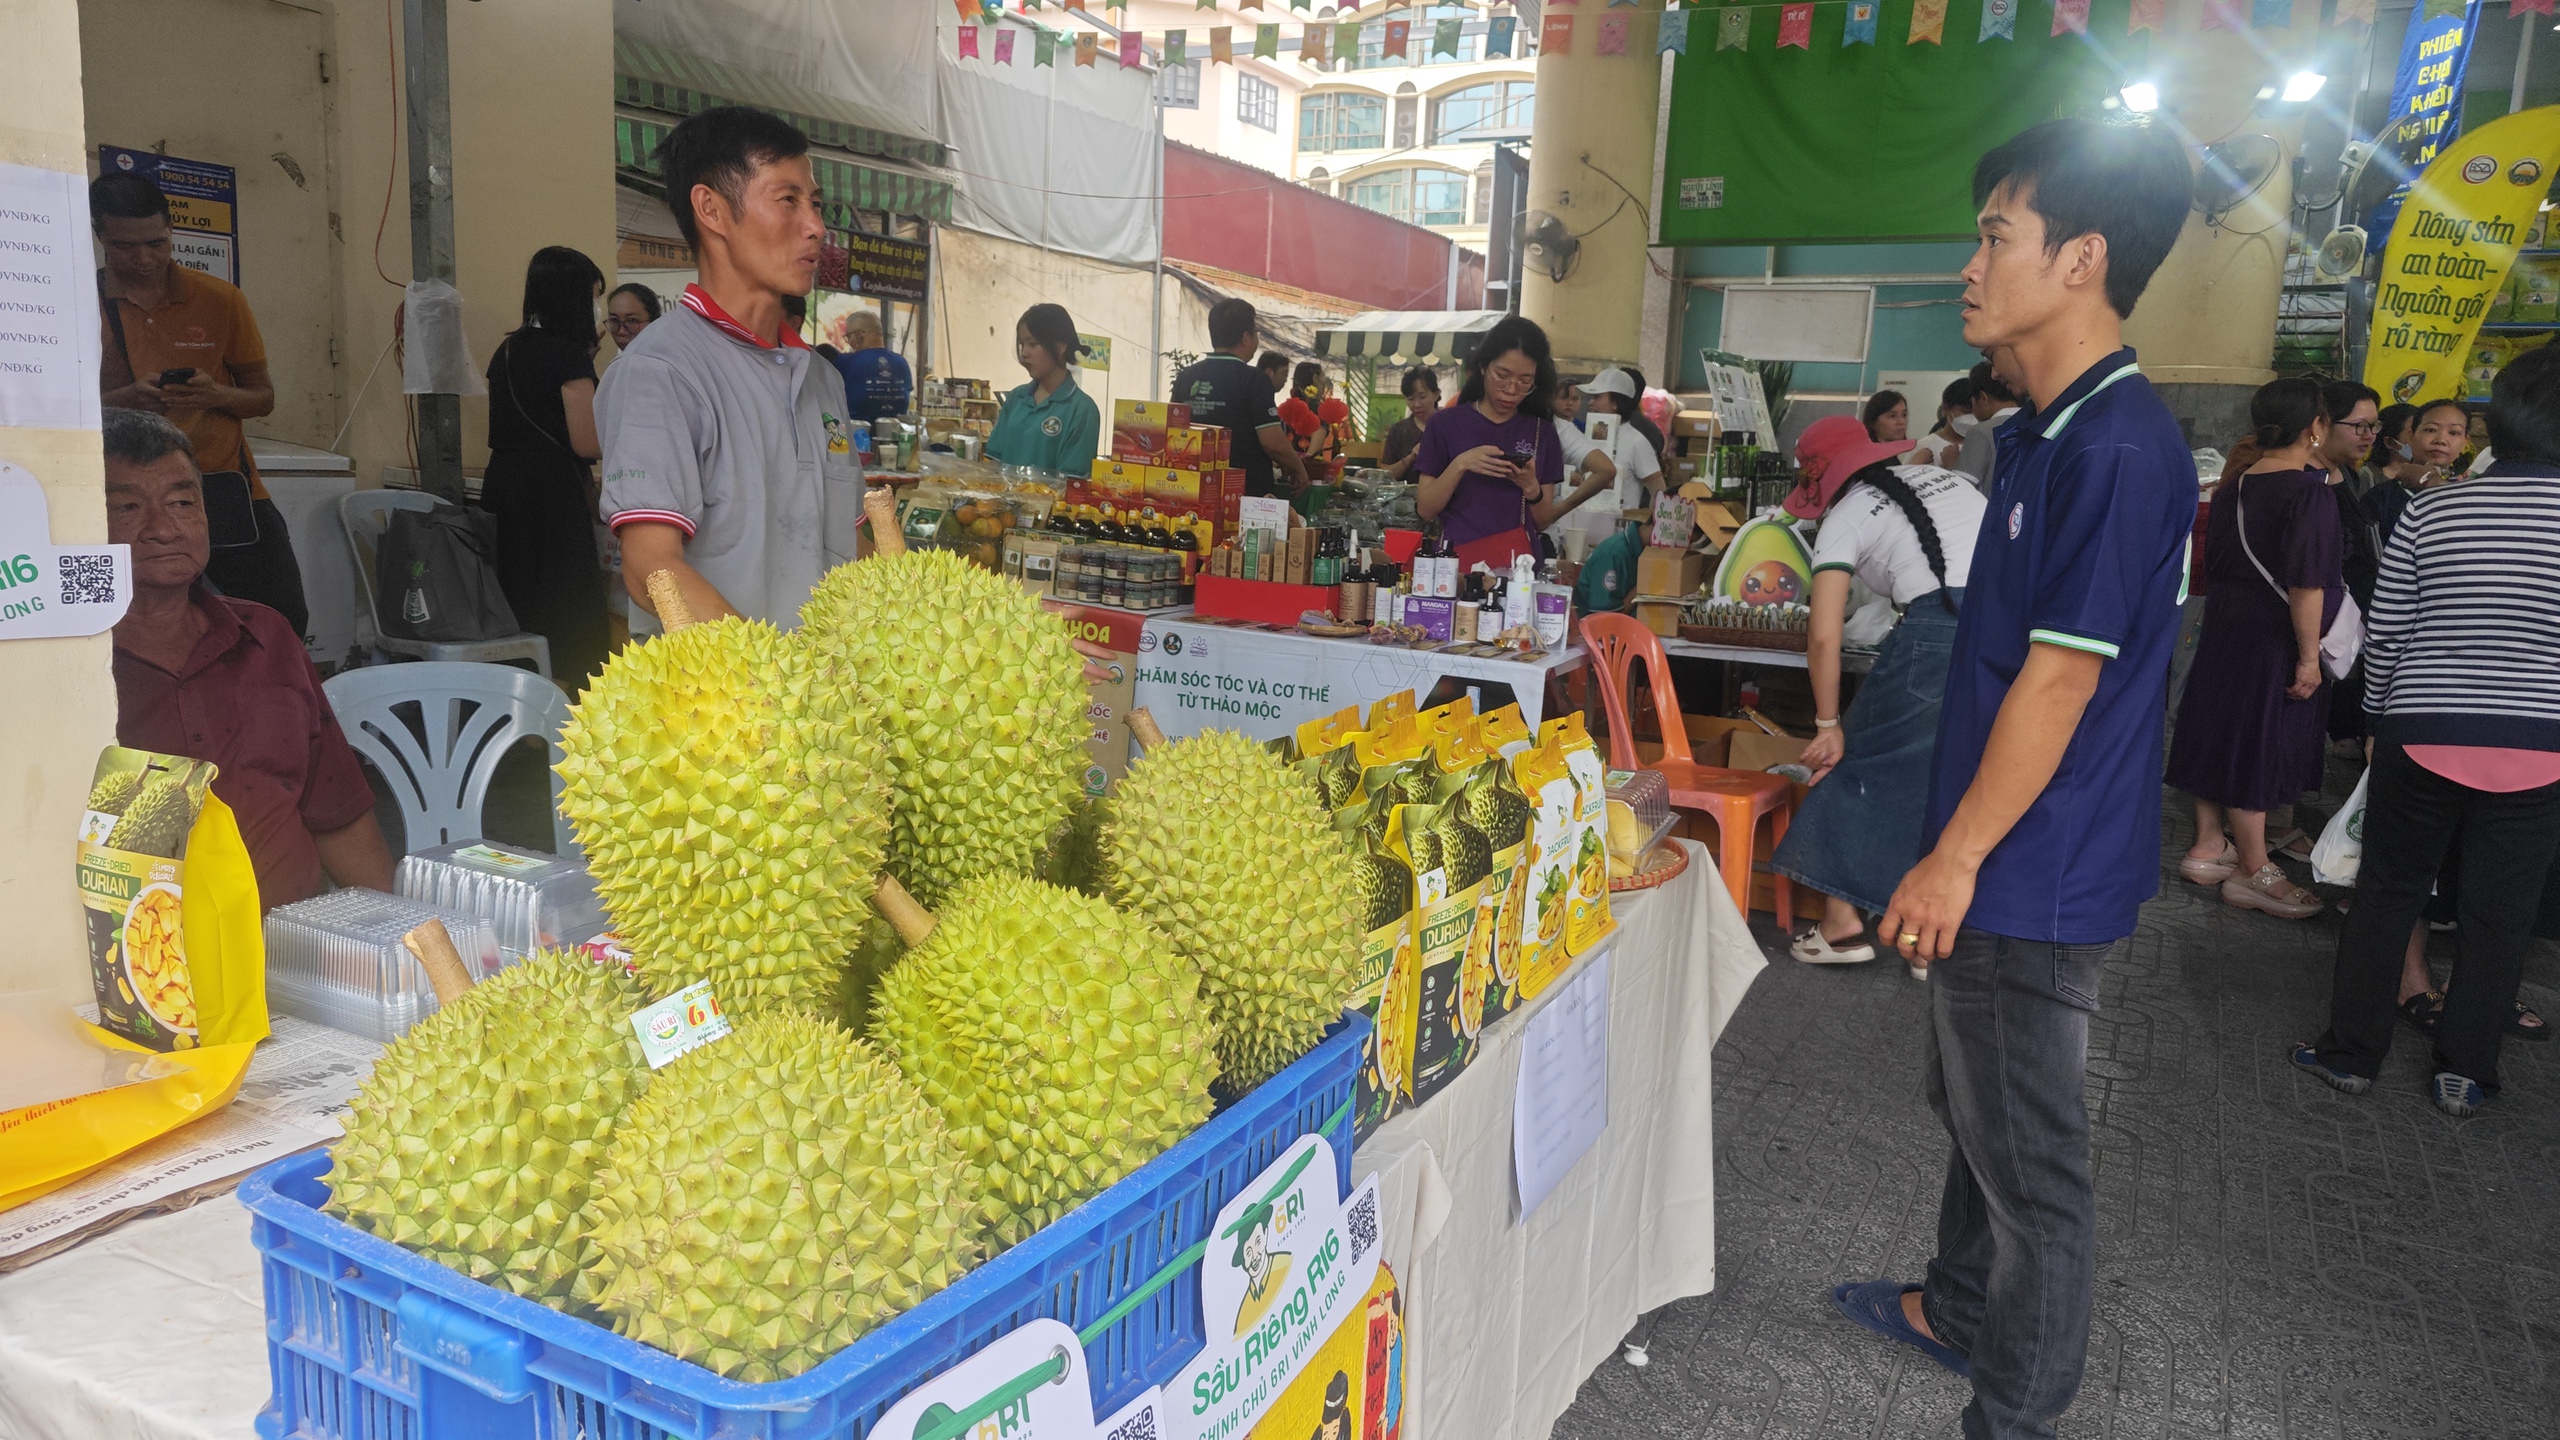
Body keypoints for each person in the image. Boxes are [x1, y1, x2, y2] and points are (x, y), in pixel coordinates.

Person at [1829, 118, 2194, 1440]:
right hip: (2012, 849)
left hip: (2030, 867)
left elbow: (2062, 680)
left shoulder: (2114, 448)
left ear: (2081, 257)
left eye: (1997, 234)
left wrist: (1957, 855)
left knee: (2035, 1166)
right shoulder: (2047, 431)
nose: (1972, 262)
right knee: (1974, 1096)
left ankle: (2013, 1416)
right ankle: (1959, 1308)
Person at [2295, 344, 2560, 1118]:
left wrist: (2376, 721)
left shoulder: (2437, 509)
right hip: (2539, 749)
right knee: (2498, 916)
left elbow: (2391, 631)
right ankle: (2466, 1071)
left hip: (2423, 731)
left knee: (2386, 895)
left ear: (2494, 425)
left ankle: (2350, 1054)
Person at [102, 409, 394, 909]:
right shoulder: (61, 669)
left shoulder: (268, 636)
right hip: (148, 966)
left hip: (296, 952)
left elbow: (335, 811)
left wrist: (406, 945)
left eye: (181, 502)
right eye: (127, 507)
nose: (162, 529)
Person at [597, 107, 864, 630]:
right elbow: (651, 565)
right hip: (719, 705)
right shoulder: (661, 371)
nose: (815, 226)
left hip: (827, 699)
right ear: (712, 210)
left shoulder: (822, 380)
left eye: (815, 204)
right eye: (787, 201)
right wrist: (766, 680)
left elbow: (850, 542)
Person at [1772, 417, 1985, 975]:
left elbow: (1823, 632)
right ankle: (1923, 936)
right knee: (1954, 775)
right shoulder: (1954, 482)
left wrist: (1827, 723)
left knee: (1853, 765)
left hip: (1935, 636)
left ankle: (1842, 926)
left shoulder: (1844, 517)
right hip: (2005, 635)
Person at [91, 172, 306, 638]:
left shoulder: (220, 299)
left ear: (171, 232)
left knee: (278, 621)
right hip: (120, 496)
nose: (145, 258)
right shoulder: (74, 303)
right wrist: (124, 402)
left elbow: (262, 398)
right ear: (99, 235)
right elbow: (54, 420)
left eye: (157, 242)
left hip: (224, 487)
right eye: (126, 246)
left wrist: (215, 395)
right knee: (127, 628)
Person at [2164, 379, 2343, 920]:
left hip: (2225, 626)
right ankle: (2253, 867)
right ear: (2315, 427)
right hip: (2274, 634)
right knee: (2259, 741)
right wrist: (2309, 656)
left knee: (2218, 726)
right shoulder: (2309, 492)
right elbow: (2307, 582)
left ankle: (2207, 843)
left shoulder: (2231, 487)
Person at [482, 246, 612, 695]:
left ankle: (520, 700)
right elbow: (587, 442)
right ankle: (568, 705)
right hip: (552, 493)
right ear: (574, 297)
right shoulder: (567, 356)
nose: (599, 308)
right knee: (566, 604)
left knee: (520, 599)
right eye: (595, 295)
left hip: (504, 486)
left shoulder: (507, 349)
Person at [1410, 315, 1613, 568]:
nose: (1511, 389)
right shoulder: (1444, 424)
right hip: (1455, 565)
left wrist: (1532, 488)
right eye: (1502, 375)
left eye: (1525, 381)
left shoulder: (1542, 432)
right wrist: (1461, 464)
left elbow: (1541, 521)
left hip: (1518, 567)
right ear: (1483, 366)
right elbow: (1425, 509)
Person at [1173, 300, 1311, 498]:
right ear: (1246, 337)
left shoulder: (1186, 377)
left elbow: (1173, 430)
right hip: (1243, 495)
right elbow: (1273, 443)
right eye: (1256, 333)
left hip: (1192, 490)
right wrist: (1299, 469)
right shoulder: (1254, 379)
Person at [2315, 381, 2383, 747]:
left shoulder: (2349, 473)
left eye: (2374, 426)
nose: (2369, 435)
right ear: (2323, 423)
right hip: (2317, 624)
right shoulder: (2308, 480)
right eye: (2359, 426)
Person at [986, 303, 1101, 475]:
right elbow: (993, 464)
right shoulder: (1016, 399)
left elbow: (1072, 484)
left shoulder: (1082, 410)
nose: (1024, 352)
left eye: (1032, 344)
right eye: (1021, 344)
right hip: (1003, 501)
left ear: (1060, 347)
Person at [1554, 367, 1658, 542]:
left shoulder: (1637, 442)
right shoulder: (1583, 435)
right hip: (1576, 539)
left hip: (1616, 543)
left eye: (1597, 397)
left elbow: (1658, 491)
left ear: (1615, 402)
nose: (1590, 403)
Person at [2363, 397, 2466, 547]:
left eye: (2454, 432)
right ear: (2411, 436)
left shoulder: (2472, 497)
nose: (2441, 440)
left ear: (2465, 442)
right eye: (2431, 430)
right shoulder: (2380, 499)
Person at [1950, 353, 2023, 488]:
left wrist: (1951, 465)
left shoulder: (1982, 432)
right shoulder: (2037, 422)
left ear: (1982, 398)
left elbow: (1961, 489)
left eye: (1973, 404)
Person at [832, 308, 912, 429]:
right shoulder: (902, 363)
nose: (848, 342)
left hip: (856, 437)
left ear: (859, 335)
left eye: (848, 337)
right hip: (894, 438)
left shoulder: (845, 362)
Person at [1279, 361, 1349, 471]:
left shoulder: (1288, 406)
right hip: (1305, 470)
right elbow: (1311, 453)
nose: (1324, 385)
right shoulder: (1317, 409)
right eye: (1322, 380)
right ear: (1315, 379)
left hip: (1285, 467)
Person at [1380, 367, 1439, 479]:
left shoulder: (1449, 427)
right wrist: (1410, 458)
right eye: (1411, 399)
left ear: (1436, 394)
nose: (1416, 404)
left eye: (1422, 397)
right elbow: (1384, 475)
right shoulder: (1399, 430)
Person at [1911, 377, 1976, 468]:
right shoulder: (1925, 447)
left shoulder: (1983, 445)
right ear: (1946, 409)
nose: (1972, 418)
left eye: (1975, 413)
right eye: (1965, 412)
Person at [605, 283, 660, 354]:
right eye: (614, 320)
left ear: (654, 322)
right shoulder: (620, 363)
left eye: (631, 321)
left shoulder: (669, 361)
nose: (621, 331)